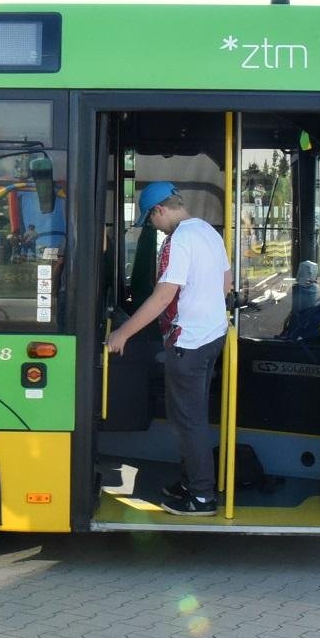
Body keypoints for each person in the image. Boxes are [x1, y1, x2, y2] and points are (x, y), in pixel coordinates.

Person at [104, 182, 230, 516]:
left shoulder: (178, 241)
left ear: (160, 210)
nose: (153, 227)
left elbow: (162, 297)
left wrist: (122, 334)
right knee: (192, 417)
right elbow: (225, 284)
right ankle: (191, 483)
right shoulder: (208, 232)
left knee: (188, 421)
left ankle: (202, 497)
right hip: (212, 336)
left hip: (187, 342)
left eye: (150, 220)